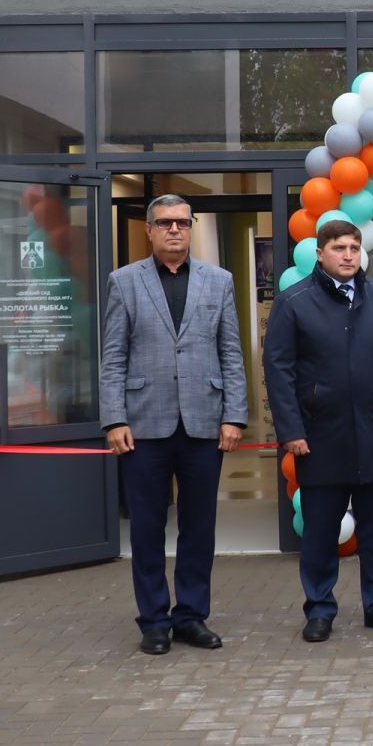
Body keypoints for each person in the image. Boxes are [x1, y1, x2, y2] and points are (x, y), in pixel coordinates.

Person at [263, 219, 373, 643]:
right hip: (319, 437)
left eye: (354, 247)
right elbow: (277, 370)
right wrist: (291, 430)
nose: (349, 254)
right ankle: (319, 609)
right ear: (320, 253)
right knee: (320, 532)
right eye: (339, 248)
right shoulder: (294, 301)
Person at [100, 195, 247, 656]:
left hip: (205, 420)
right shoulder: (124, 282)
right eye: (165, 223)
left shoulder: (218, 281)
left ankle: (191, 616)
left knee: (199, 525)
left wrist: (234, 414)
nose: (175, 230)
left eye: (183, 223)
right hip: (144, 424)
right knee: (146, 526)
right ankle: (154, 620)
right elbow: (113, 356)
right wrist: (114, 418)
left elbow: (231, 352)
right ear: (149, 229)